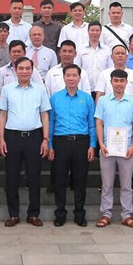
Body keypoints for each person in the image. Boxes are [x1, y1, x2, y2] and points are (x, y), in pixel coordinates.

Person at [0, 57, 51, 227]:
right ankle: (13, 214)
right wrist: (1, 139)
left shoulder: (40, 90)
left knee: (34, 177)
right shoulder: (7, 89)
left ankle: (33, 214)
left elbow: (44, 115)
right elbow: (2, 115)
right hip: (12, 137)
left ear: (32, 70)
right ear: (15, 69)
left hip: (34, 137)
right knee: (11, 177)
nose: (24, 71)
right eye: (21, 68)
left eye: (28, 68)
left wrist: (45, 139)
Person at [47, 64, 96, 227]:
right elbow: (51, 123)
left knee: (80, 179)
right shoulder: (55, 98)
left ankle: (79, 213)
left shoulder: (87, 98)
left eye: (74, 75)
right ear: (63, 77)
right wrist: (50, 145)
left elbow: (92, 124)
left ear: (79, 78)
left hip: (81, 142)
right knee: (60, 179)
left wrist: (92, 145)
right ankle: (60, 213)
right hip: (60, 142)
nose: (71, 78)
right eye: (68, 75)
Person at [94, 69, 133, 228]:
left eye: (122, 81)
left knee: (126, 185)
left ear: (126, 83)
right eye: (116, 81)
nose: (119, 84)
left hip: (126, 149)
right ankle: (106, 214)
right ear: (111, 82)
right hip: (107, 148)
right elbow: (99, 123)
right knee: (107, 184)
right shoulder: (103, 101)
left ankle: (126, 215)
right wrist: (101, 143)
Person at [75, 21, 112, 90]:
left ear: (100, 32)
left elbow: (110, 69)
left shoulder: (107, 49)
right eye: (92, 30)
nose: (95, 33)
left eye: (97, 30)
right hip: (85, 87)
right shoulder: (80, 49)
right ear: (88, 31)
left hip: (102, 88)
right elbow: (77, 68)